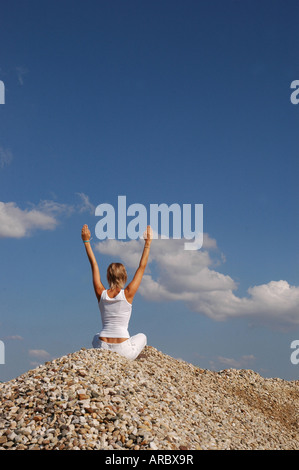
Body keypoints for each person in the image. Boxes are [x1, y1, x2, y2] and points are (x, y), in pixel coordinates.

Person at [81, 224, 153, 360]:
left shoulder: (100, 292)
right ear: (125, 277)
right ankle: (133, 355)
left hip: (103, 347)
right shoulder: (128, 293)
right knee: (142, 336)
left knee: (96, 336)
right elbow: (141, 267)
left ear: (108, 277)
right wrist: (147, 243)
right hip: (123, 350)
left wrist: (86, 241)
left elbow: (94, 265)